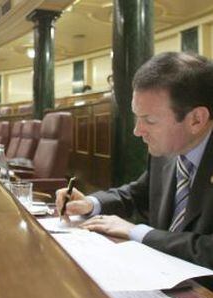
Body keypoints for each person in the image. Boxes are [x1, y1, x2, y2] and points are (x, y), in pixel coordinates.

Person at [56, 52, 213, 269]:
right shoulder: (166, 151)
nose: (137, 131)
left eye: (149, 120)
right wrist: (90, 204)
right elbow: (138, 193)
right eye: (137, 117)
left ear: (196, 119)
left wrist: (137, 231)